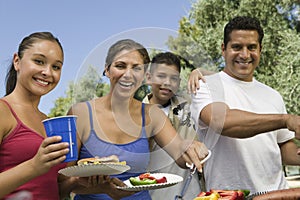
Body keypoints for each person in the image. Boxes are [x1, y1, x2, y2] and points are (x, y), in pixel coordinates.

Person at [67, 39, 209, 200]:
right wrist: (99, 187)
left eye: (136, 68)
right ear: (107, 70)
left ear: (144, 75)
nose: (128, 74)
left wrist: (190, 147)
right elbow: (62, 182)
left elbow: (179, 151)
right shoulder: (80, 113)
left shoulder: (152, 115)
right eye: (120, 66)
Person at [0, 32, 129, 200]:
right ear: (17, 61)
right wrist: (34, 166)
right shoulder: (3, 111)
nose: (47, 72)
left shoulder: (47, 121)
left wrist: (90, 183)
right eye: (39, 61)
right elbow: (35, 170)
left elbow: (53, 187)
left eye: (56, 67)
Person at [188, 16, 300, 195]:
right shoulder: (206, 85)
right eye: (237, 47)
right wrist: (286, 120)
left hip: (276, 194)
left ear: (260, 50)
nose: (245, 55)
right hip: (228, 196)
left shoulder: (273, 95)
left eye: (252, 47)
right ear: (224, 49)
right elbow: (222, 121)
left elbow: (284, 150)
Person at [143, 52, 203, 199]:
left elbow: (226, 82)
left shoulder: (189, 107)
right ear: (148, 77)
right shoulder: (136, 114)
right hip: (153, 194)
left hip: (191, 193)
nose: (167, 82)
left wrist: (201, 72)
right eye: (161, 76)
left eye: (174, 78)